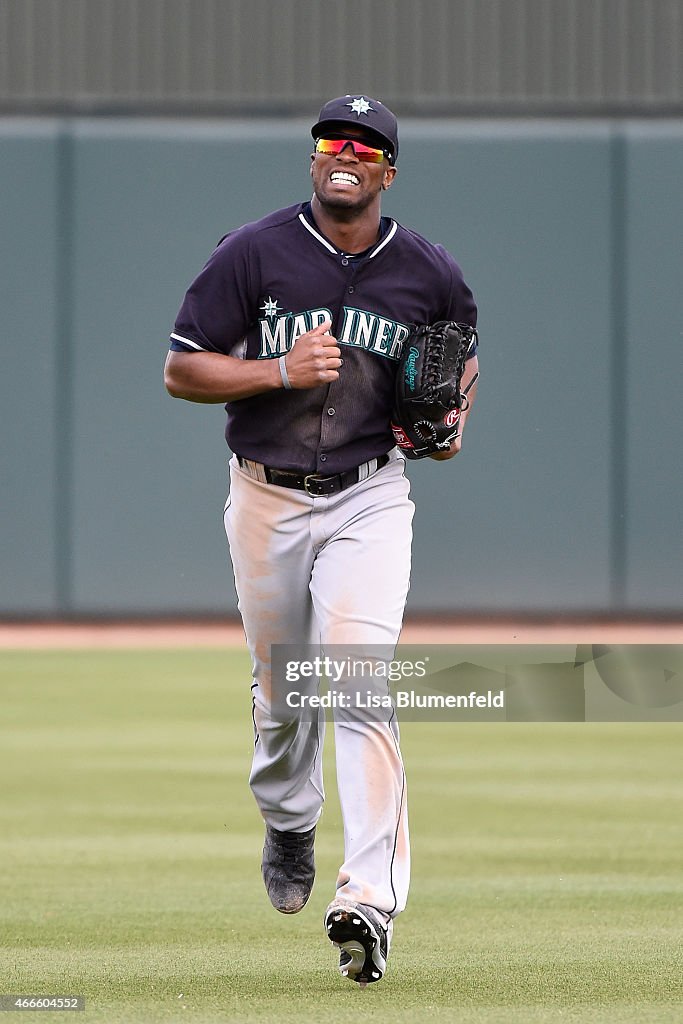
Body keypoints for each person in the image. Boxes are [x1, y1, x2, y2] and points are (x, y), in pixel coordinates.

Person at [165, 94, 479, 985]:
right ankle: (290, 819)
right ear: (313, 160)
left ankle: (367, 901)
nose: (344, 151)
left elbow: (460, 361)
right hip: (263, 496)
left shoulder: (428, 270)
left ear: (387, 170)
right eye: (330, 140)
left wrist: (451, 419)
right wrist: (276, 370)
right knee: (281, 699)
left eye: (365, 144)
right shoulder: (253, 252)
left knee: (357, 683)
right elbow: (181, 366)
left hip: (368, 499)